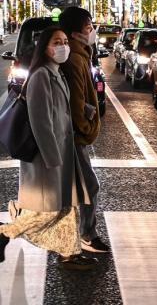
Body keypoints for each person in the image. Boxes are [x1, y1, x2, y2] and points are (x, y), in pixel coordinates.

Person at [0, 27, 97, 270]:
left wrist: (84, 109)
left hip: (62, 152)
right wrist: (52, 158)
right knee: (48, 210)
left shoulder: (56, 72)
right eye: (57, 42)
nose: (63, 46)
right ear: (45, 47)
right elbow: (40, 120)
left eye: (65, 40)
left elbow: (59, 109)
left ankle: (69, 254)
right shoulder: (41, 75)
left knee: (67, 206)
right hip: (46, 157)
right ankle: (4, 233)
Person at [59, 7, 110, 253]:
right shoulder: (75, 59)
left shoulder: (80, 55)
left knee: (76, 188)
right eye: (88, 28)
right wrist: (86, 127)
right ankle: (85, 235)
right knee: (88, 186)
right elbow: (75, 102)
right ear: (75, 33)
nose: (92, 32)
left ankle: (75, 238)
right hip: (73, 136)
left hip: (73, 135)